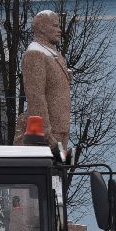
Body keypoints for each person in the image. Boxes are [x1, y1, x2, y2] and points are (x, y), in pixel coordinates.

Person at [16, 10, 71, 156]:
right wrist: (46, 133)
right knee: (50, 175)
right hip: (50, 134)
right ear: (41, 28)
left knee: (58, 176)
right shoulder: (35, 53)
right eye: (55, 26)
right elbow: (36, 97)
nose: (60, 30)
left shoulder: (51, 54)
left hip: (60, 129)